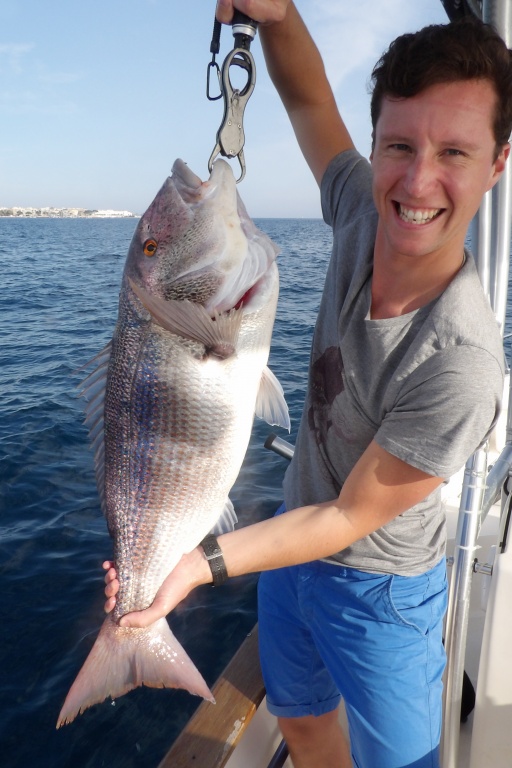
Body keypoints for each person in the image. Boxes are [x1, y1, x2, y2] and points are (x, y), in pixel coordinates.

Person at [103, 3, 512, 766]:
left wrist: (199, 562)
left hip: (381, 590)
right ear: (378, 145)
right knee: (298, 717)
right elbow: (310, 101)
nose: (418, 179)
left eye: (455, 152)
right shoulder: (362, 207)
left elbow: (351, 516)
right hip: (288, 549)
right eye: (399, 144)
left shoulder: (462, 361)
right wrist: (279, 14)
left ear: (497, 162)